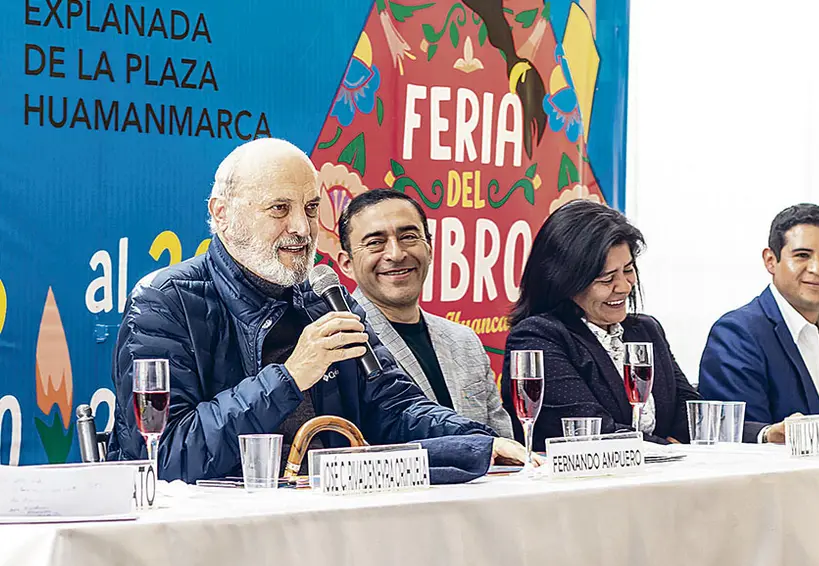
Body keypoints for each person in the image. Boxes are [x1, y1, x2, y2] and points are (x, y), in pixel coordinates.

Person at [107, 137, 531, 483]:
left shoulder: (323, 295)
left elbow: (395, 408)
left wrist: (479, 443)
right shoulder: (164, 303)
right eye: (279, 209)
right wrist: (290, 376)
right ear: (222, 215)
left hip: (331, 523)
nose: (300, 228)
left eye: (310, 209)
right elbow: (164, 454)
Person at [501, 200, 698, 450]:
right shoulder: (538, 337)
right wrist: (671, 450)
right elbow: (593, 433)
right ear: (566, 280)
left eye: (628, 270)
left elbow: (688, 415)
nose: (625, 287)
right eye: (607, 279)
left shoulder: (646, 330)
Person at [335, 188, 513, 437]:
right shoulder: (340, 343)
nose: (396, 254)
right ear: (346, 263)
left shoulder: (465, 342)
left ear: (429, 249)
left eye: (408, 236)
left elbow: (505, 447)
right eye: (376, 242)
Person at [699, 204, 819, 443]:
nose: (818, 269)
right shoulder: (737, 333)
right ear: (770, 261)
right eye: (802, 255)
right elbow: (736, 436)